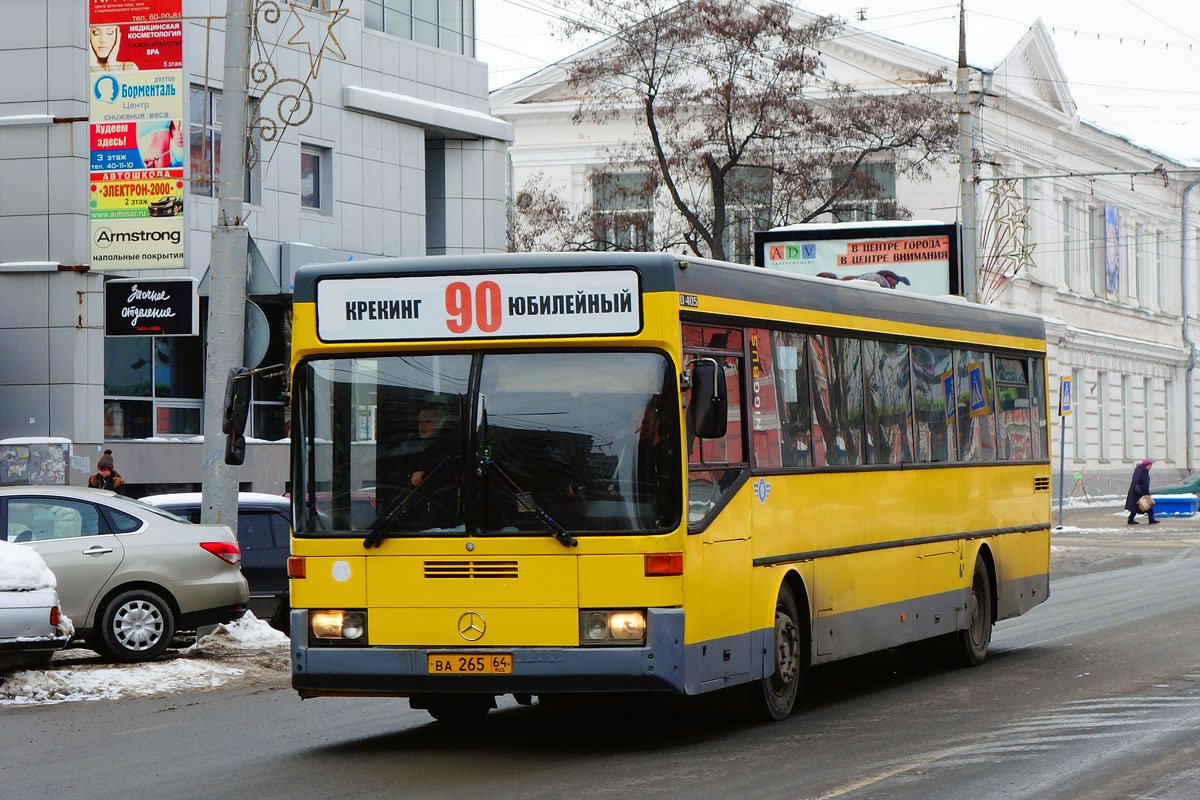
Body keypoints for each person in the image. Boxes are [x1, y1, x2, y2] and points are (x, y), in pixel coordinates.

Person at [1124, 458, 1158, 525]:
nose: (1150, 467)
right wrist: (1139, 492)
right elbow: (1135, 482)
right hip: (1136, 493)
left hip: (1143, 492)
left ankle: (1151, 519)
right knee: (1136, 507)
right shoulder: (1139, 471)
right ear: (1146, 465)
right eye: (1150, 465)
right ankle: (1131, 519)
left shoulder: (1145, 471)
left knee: (1147, 505)